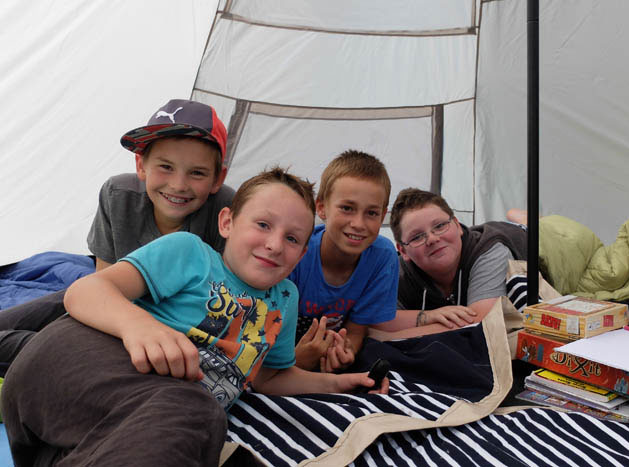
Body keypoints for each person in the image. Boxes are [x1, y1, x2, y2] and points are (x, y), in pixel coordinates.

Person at [1, 167, 389, 467]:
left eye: (292, 238)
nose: (274, 244)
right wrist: (139, 325)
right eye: (263, 225)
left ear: (303, 253)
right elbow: (85, 291)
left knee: (195, 436)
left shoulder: (285, 299)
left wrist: (338, 383)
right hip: (84, 361)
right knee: (199, 416)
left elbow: (270, 376)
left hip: (107, 419)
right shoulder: (192, 254)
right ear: (227, 223)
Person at [0, 99, 235, 375]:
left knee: (66, 350)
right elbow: (101, 284)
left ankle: (45, 355)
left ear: (217, 179)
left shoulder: (226, 213)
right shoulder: (118, 194)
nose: (178, 185)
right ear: (141, 165)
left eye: (197, 173)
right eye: (165, 167)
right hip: (111, 303)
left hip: (169, 328)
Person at [290, 150, 399, 373]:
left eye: (371, 213)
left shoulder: (383, 257)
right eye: (347, 208)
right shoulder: (295, 251)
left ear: (383, 215)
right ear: (321, 207)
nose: (358, 223)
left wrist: (344, 352)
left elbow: (357, 330)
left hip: (328, 347)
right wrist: (295, 361)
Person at [377, 188, 527, 332]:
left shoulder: (489, 251)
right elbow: (376, 322)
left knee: (537, 226)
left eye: (440, 225)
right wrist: (425, 318)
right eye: (417, 237)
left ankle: (523, 219)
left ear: (457, 225)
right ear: (403, 251)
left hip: (534, 237)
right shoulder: (396, 275)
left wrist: (392, 336)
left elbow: (479, 326)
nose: (432, 239)